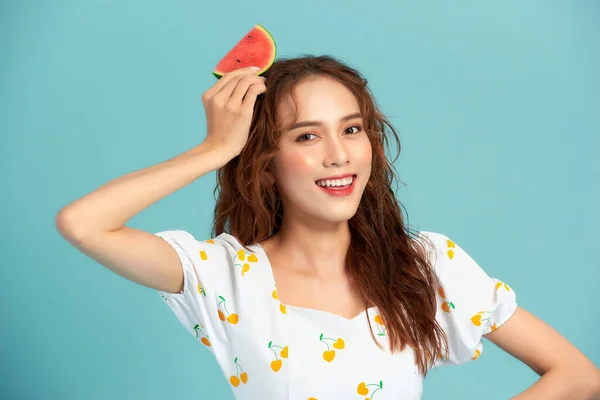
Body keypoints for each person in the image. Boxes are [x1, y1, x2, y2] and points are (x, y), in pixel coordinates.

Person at [56, 56, 600, 399]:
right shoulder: (224, 276)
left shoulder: (425, 266)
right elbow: (84, 224)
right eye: (307, 137)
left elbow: (578, 376)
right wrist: (215, 148)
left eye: (352, 129)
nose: (339, 155)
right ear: (265, 159)